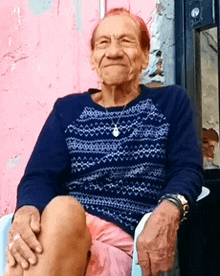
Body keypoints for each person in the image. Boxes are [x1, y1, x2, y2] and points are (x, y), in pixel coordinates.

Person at [5, 7, 203, 276]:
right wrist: (27, 209)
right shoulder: (68, 110)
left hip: (119, 242)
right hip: (65, 231)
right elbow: (39, 177)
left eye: (126, 41)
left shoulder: (170, 103)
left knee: (61, 213)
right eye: (103, 43)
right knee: (45, 224)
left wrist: (169, 210)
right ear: (93, 58)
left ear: (145, 56)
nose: (113, 52)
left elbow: (187, 169)